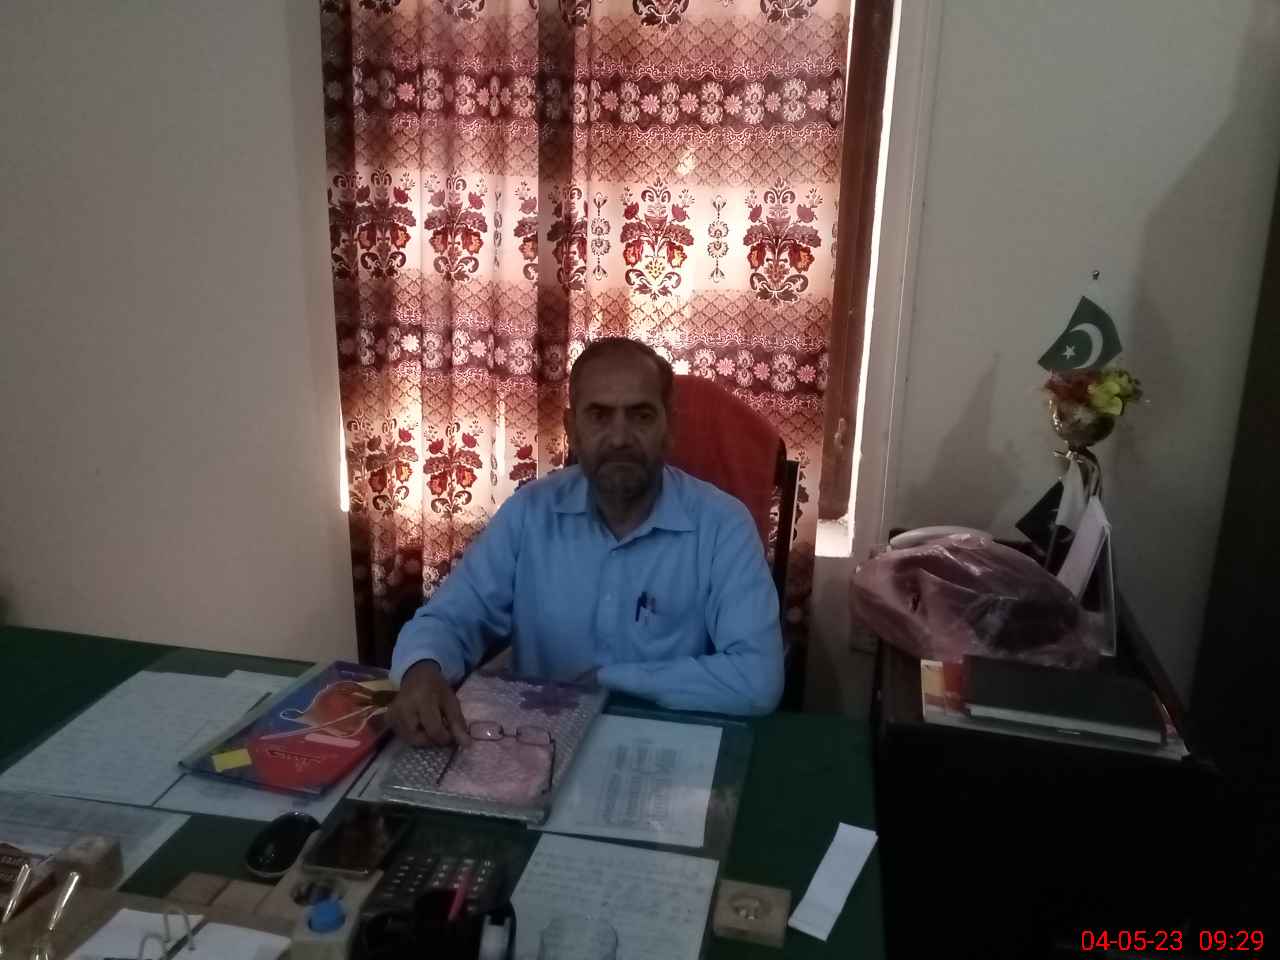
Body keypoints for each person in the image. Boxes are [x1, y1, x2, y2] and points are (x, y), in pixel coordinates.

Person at [389, 337, 784, 745]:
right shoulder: (530, 513)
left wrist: (607, 680)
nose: (619, 438)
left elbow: (757, 679)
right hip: (538, 742)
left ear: (670, 428)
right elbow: (449, 619)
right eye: (599, 415)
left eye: (641, 416)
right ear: (571, 429)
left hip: (667, 745)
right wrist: (422, 669)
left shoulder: (723, 526)